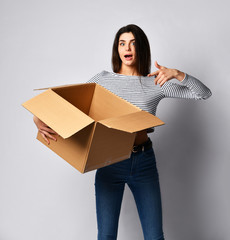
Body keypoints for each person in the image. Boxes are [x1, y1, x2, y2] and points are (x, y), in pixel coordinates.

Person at [33, 24, 212, 240]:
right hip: (108, 164)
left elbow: (203, 94)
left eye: (133, 43)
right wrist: (38, 116)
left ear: (141, 48)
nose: (127, 48)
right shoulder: (102, 80)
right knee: (106, 236)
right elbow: (69, 105)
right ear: (117, 49)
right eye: (122, 43)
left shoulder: (156, 83)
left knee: (155, 237)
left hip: (144, 162)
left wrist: (177, 73)